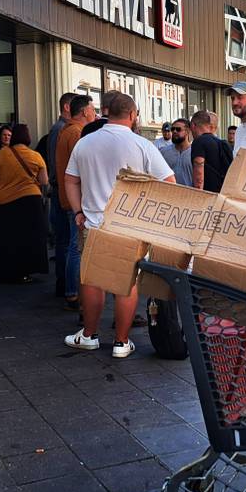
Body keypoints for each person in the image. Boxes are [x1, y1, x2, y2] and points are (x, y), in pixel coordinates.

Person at [63, 93, 174, 358]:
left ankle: (89, 335)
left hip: (93, 224)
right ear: (133, 115)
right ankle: (121, 343)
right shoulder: (142, 145)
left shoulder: (85, 143)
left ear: (106, 113)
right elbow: (169, 183)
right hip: (129, 227)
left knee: (92, 281)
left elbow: (70, 180)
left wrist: (78, 210)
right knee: (127, 284)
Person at [0, 124, 49, 283]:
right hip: (31, 201)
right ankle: (26, 272)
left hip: (6, 201)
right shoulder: (35, 156)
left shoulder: (1, 155)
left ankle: (7, 271)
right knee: (29, 237)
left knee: (9, 238)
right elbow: (44, 181)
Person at [55, 95, 98, 309]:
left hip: (70, 198)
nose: (95, 113)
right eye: (93, 109)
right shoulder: (75, 133)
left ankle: (71, 290)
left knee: (72, 245)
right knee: (76, 246)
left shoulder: (66, 131)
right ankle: (73, 293)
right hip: (77, 201)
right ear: (84, 112)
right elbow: (79, 170)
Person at [47, 92, 79, 297]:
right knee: (71, 244)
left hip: (59, 189)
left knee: (64, 242)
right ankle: (70, 289)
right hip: (65, 190)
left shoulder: (58, 130)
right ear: (67, 108)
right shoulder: (68, 131)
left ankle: (65, 284)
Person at [190, 110, 233, 192]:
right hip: (222, 193)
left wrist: (197, 193)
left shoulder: (199, 142)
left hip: (208, 195)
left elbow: (199, 170)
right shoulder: (222, 143)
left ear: (193, 125)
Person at [161, 118, 194, 185]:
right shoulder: (164, 152)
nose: (174, 131)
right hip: (168, 193)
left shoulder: (195, 152)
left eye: (178, 129)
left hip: (190, 193)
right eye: (173, 129)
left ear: (187, 132)